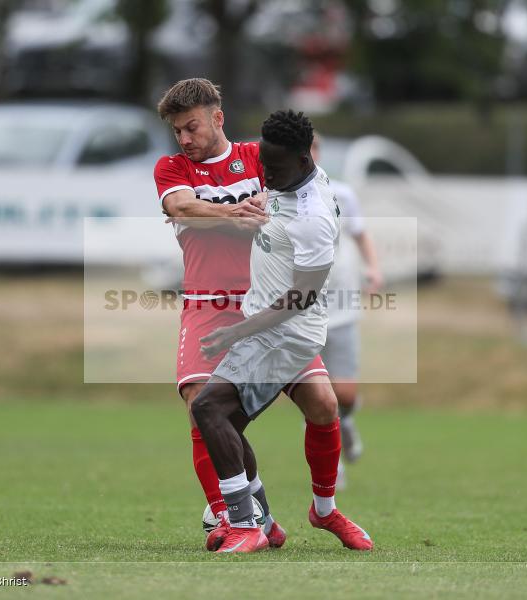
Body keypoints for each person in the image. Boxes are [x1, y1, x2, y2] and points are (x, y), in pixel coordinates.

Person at [153, 79, 338, 551]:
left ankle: (325, 511)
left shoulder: (260, 158)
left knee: (323, 403)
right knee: (202, 405)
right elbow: (180, 206)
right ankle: (243, 518)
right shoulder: (172, 168)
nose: (185, 139)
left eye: (191, 127)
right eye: (177, 131)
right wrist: (234, 211)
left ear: (217, 117)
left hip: (267, 303)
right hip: (207, 305)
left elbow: (303, 182)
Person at [192, 109, 372, 553]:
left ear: (304, 159)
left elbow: (303, 297)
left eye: (273, 168)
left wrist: (237, 333)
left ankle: (245, 523)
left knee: (211, 411)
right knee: (322, 408)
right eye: (263, 166)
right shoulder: (292, 177)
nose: (265, 175)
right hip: (275, 328)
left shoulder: (314, 219)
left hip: (282, 333)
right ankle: (315, 513)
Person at [310, 132, 383, 489]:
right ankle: (332, 467)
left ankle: (348, 422)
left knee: (346, 395)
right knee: (318, 395)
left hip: (340, 306)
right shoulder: (276, 195)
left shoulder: (342, 193)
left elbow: (360, 233)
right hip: (300, 312)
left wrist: (373, 268)